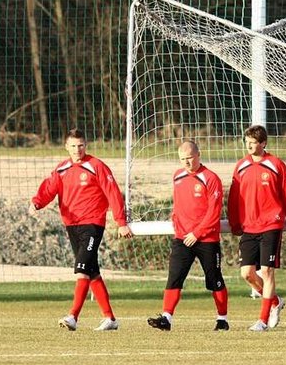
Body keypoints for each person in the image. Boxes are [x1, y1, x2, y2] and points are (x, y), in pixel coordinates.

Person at [30, 128, 132, 331]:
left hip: (93, 224)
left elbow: (113, 193)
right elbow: (50, 188)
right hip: (72, 225)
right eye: (73, 146)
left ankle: (72, 317)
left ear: (86, 145)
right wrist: (37, 202)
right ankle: (110, 319)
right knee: (92, 271)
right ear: (66, 147)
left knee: (81, 269)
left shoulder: (97, 166)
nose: (77, 149)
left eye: (81, 145)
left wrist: (121, 222)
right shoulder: (62, 169)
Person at [148, 140, 228, 331]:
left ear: (198, 155)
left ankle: (222, 319)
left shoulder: (210, 178)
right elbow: (178, 204)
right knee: (174, 277)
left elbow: (213, 212)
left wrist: (198, 232)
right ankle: (166, 318)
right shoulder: (177, 176)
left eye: (190, 158)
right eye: (183, 159)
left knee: (214, 279)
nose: (187, 162)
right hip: (182, 238)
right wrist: (176, 222)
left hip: (206, 238)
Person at [227, 125, 286, 332]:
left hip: (271, 223)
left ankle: (262, 320)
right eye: (247, 142)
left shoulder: (276, 164)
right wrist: (234, 223)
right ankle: (275, 301)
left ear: (263, 143)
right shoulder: (241, 166)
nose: (249, 146)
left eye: (253, 142)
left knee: (267, 271)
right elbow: (234, 198)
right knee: (247, 274)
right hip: (249, 227)